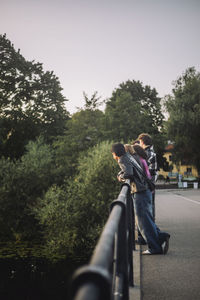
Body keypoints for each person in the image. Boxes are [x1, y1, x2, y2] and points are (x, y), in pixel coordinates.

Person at [111, 143, 170, 255]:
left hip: (140, 191)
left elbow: (128, 174)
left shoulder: (122, 159)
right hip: (145, 190)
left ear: (115, 153)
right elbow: (130, 170)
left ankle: (154, 248)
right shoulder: (129, 156)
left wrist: (120, 177)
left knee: (143, 222)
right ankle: (161, 237)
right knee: (147, 219)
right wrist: (121, 173)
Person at [138, 133, 157, 220]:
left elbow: (143, 169)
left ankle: (152, 227)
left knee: (148, 207)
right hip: (152, 182)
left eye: (139, 142)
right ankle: (153, 225)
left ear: (142, 141)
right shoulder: (152, 153)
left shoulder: (146, 153)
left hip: (147, 183)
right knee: (151, 204)